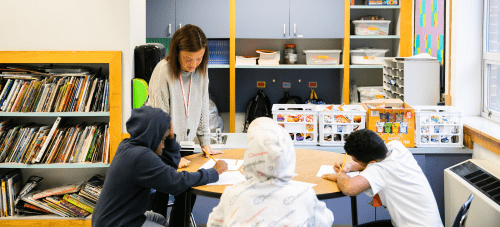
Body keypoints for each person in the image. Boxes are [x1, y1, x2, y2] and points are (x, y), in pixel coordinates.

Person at [91, 106, 228, 227]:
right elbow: (176, 182)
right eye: (162, 139)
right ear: (152, 135)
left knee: (160, 220)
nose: (163, 145)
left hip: (115, 218)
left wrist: (171, 138)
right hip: (118, 223)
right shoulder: (141, 157)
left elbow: (169, 165)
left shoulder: (130, 146)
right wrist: (213, 172)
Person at [147, 24, 224, 225]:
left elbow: (202, 108)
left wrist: (205, 142)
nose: (193, 64)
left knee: (187, 192)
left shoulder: (201, 72)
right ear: (176, 52)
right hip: (161, 147)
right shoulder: (163, 71)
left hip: (186, 145)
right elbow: (158, 117)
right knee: (161, 197)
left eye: (199, 59)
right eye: (188, 59)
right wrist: (169, 153)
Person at [206, 117, 334, 227]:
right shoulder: (305, 195)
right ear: (289, 155)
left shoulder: (232, 194)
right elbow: (326, 221)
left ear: (250, 155)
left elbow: (213, 223)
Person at [322, 129, 443, 227]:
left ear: (372, 162)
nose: (352, 161)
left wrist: (340, 175)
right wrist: (351, 166)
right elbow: (375, 162)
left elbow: (349, 188)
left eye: (354, 159)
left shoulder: (380, 170)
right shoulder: (396, 147)